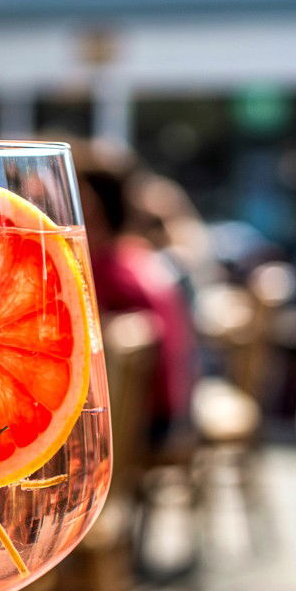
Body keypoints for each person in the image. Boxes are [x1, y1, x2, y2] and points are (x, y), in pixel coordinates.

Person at [78, 146, 197, 442]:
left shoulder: (104, 273)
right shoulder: (134, 258)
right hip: (175, 408)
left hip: (142, 424)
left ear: (91, 208)